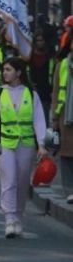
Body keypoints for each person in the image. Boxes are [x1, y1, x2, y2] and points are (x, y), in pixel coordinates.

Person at [0, 57, 48, 237]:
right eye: (4, 70)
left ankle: (18, 215)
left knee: (22, 181)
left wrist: (41, 144)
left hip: (26, 144)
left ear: (18, 72)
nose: (5, 73)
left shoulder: (31, 94)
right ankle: (9, 219)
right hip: (5, 143)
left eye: (8, 69)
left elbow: (39, 119)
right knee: (9, 181)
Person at [52, 46, 73, 204]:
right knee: (66, 154)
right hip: (66, 115)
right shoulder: (62, 65)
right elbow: (56, 91)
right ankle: (69, 190)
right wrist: (54, 117)